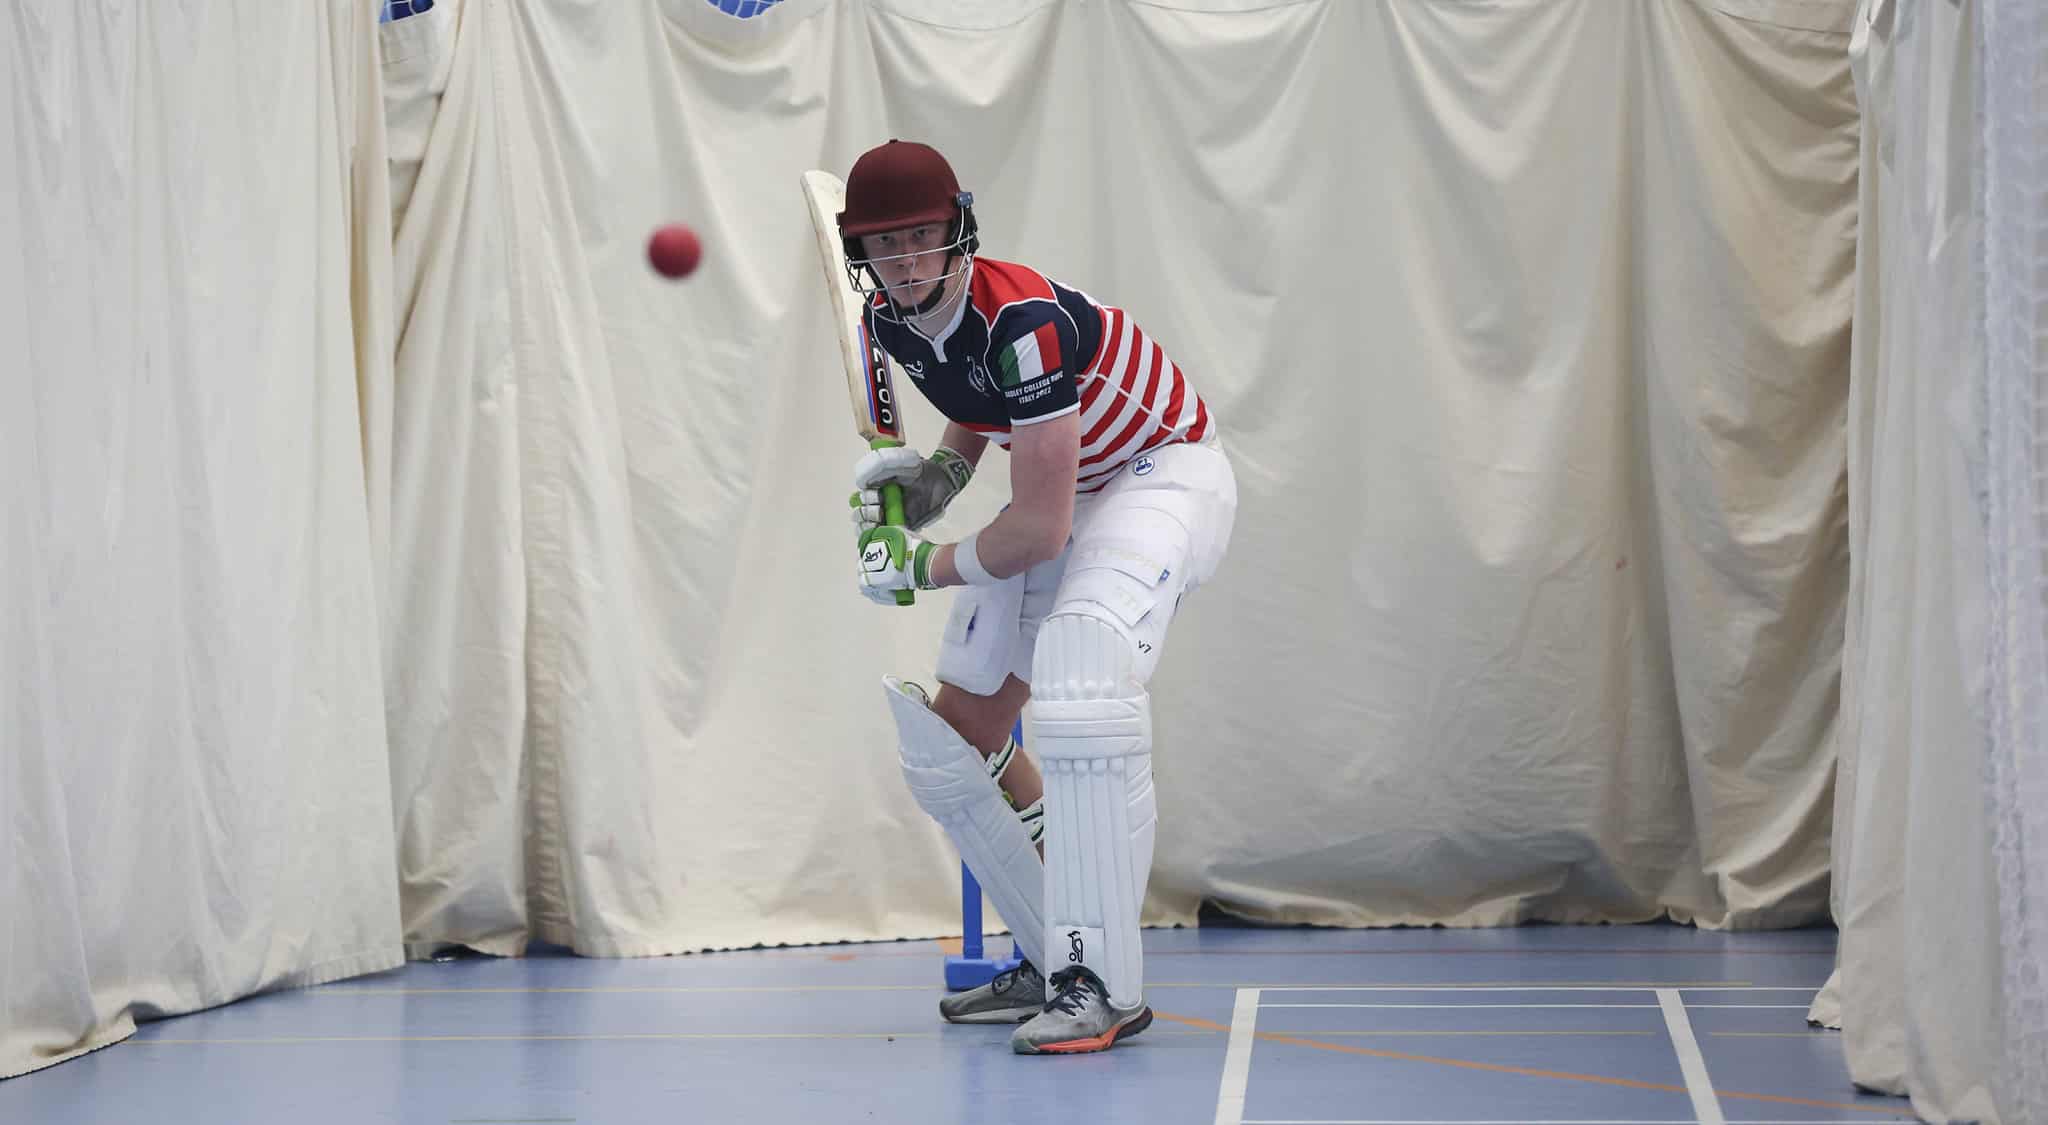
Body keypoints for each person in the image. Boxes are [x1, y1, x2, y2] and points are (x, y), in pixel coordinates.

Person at [838, 139, 1236, 1055]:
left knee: (1085, 674)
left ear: (959, 231)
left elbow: (1041, 529)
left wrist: (920, 563)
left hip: (1160, 470)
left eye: (922, 236)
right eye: (884, 242)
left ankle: (1104, 984)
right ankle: (1050, 947)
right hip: (1077, 487)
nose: (903, 261)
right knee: (956, 737)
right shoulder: (895, 321)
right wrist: (942, 471)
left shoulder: (1024, 319)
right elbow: (977, 400)